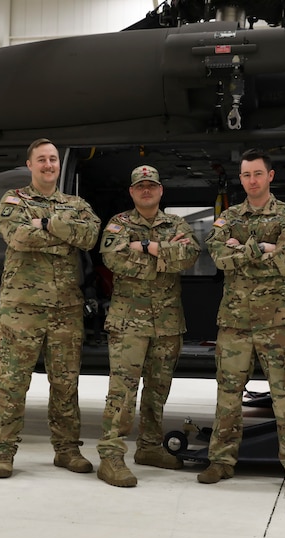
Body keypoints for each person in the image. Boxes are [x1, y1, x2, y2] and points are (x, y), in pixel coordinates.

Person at [198, 148, 285, 494]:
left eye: (257, 174)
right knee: (228, 395)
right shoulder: (229, 216)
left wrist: (242, 248)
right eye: (246, 175)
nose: (251, 181)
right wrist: (262, 246)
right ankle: (220, 461)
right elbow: (219, 257)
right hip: (235, 321)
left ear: (270, 176)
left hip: (278, 322)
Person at [0, 138, 101, 478]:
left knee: (65, 383)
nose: (49, 165)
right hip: (21, 310)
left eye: (53, 159)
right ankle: (3, 453)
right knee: (12, 381)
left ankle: (67, 451)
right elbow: (18, 237)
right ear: (30, 165)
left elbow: (90, 236)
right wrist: (65, 235)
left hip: (65, 308)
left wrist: (45, 225)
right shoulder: (13, 200)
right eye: (42, 159)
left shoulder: (76, 203)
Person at [95, 165, 201, 487]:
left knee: (158, 390)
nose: (146, 190)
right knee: (122, 393)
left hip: (167, 324)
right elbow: (113, 259)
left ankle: (150, 447)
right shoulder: (118, 224)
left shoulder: (176, 223)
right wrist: (164, 258)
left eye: (151, 185)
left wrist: (144, 247)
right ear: (131, 191)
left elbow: (191, 255)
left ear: (160, 190)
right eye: (140, 186)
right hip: (129, 322)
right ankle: (111, 457)